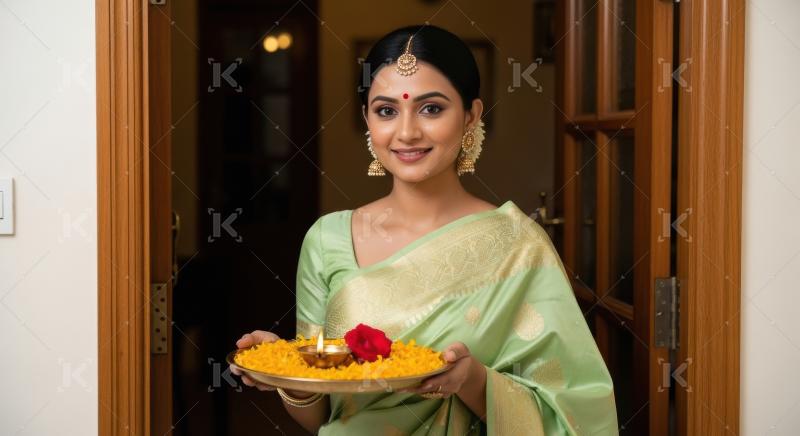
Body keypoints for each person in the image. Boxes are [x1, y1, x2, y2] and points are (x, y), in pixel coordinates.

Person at [231, 24, 618, 435]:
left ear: (471, 116)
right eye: (386, 110)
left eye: (431, 108)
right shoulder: (328, 239)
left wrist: (472, 381)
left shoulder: (517, 244)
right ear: (367, 119)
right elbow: (318, 416)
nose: (407, 132)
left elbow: (573, 409)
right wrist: (286, 372)